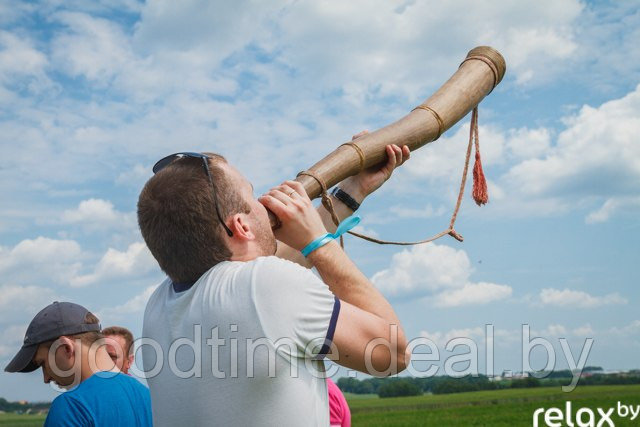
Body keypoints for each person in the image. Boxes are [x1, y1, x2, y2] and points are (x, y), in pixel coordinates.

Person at [137, 136, 411, 426]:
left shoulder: (159, 305)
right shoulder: (266, 286)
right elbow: (393, 353)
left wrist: (352, 192)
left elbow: (266, 279)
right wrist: (319, 242)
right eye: (252, 194)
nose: (264, 202)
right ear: (241, 226)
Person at [4, 301, 152, 426]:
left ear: (66, 348)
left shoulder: (72, 407)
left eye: (43, 363)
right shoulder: (148, 397)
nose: (46, 378)